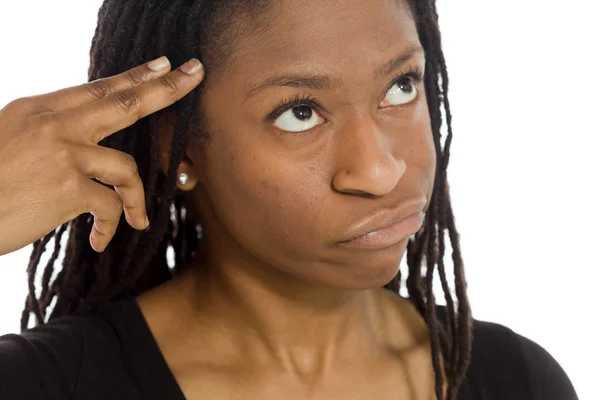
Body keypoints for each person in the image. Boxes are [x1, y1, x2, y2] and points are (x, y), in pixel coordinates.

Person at [0, 0, 579, 399]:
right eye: (300, 112)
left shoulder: (515, 381)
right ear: (179, 149)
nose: (380, 170)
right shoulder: (45, 385)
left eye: (401, 86)